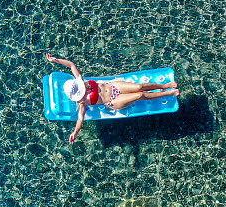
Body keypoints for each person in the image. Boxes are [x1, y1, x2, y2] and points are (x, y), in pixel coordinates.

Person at [45, 53, 179, 143]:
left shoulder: (80, 79)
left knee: (140, 86)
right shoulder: (82, 102)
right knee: (140, 95)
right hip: (113, 101)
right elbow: (80, 119)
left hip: (114, 87)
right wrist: (75, 132)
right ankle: (169, 93)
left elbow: (71, 65)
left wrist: (55, 60)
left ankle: (164, 85)